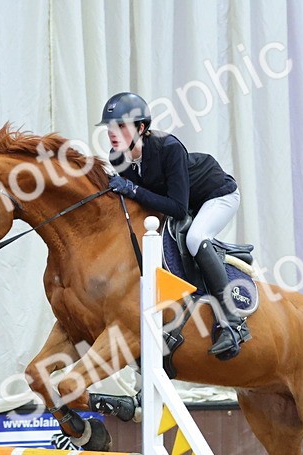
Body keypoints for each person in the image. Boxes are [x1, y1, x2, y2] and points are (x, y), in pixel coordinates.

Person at [96, 92, 250, 360]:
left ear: (141, 128)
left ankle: (232, 321)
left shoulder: (168, 148)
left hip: (217, 195)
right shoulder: (117, 156)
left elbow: (177, 207)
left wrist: (132, 188)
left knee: (195, 238)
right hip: (186, 203)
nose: (112, 132)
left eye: (121, 125)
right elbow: (145, 202)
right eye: (110, 126)